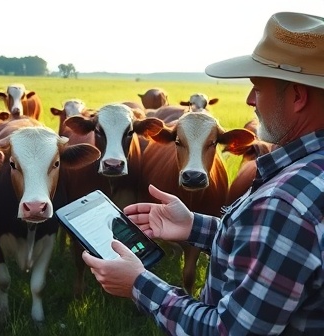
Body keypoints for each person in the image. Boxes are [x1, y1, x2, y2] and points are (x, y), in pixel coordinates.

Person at [82, 11, 324, 335]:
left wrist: (139, 284)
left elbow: (227, 331)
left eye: (258, 88)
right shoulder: (309, 174)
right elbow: (275, 255)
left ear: (297, 96)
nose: (250, 100)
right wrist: (197, 226)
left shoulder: (284, 207)